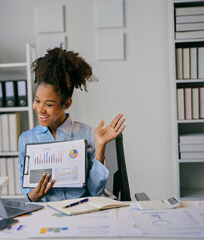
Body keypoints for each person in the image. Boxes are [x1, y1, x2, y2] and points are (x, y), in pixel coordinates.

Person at [18, 46, 125, 202]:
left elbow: (95, 191)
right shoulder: (26, 139)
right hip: (47, 215)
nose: (40, 109)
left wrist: (100, 147)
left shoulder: (88, 134)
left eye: (48, 104)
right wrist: (35, 195)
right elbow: (28, 193)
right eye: (37, 100)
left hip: (82, 212)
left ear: (66, 104)